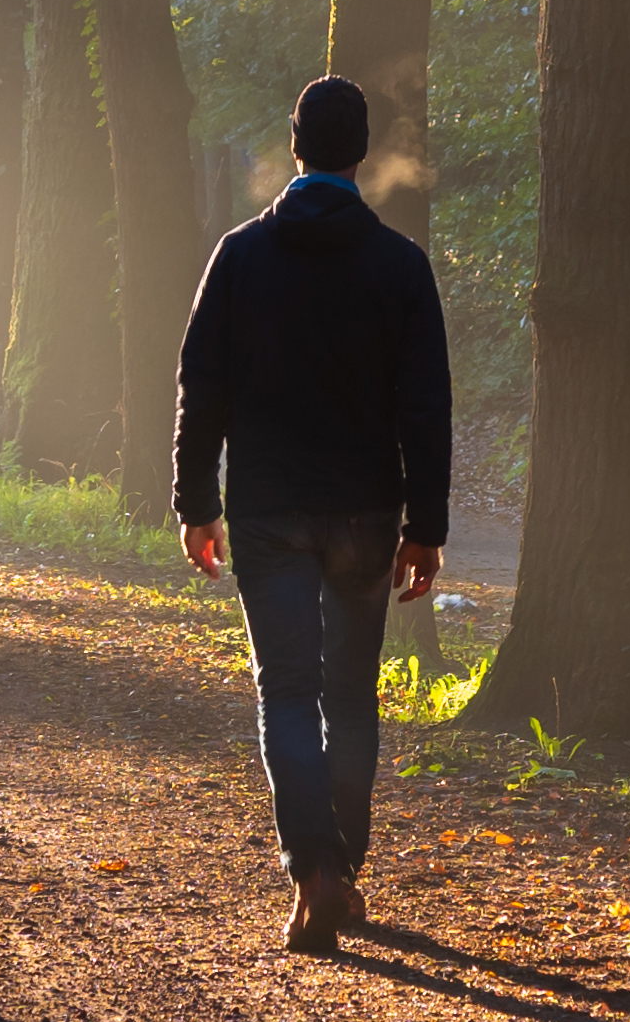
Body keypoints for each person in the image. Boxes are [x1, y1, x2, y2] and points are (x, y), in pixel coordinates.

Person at [171, 75, 451, 954]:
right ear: (359, 154)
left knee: (285, 688)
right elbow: (426, 405)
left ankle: (314, 868)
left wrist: (194, 502)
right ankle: (342, 867)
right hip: (367, 511)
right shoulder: (399, 265)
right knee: (349, 693)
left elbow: (200, 387)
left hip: (265, 510)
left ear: (295, 147)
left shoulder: (241, 254)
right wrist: (426, 526)